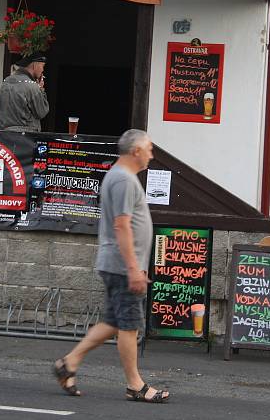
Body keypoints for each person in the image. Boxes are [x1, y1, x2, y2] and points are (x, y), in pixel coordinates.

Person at [52, 129, 170, 404]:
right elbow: (122, 225)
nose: (152, 154)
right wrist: (133, 268)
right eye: (149, 148)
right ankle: (135, 385)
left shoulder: (120, 177)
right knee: (129, 326)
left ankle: (68, 363)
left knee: (113, 322)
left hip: (119, 264)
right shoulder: (123, 180)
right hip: (121, 266)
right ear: (136, 151)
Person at [0, 53, 49, 132]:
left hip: (4, 135)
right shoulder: (31, 86)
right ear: (35, 65)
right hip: (25, 137)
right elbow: (42, 112)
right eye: (42, 66)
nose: (43, 70)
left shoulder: (6, 82)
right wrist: (41, 89)